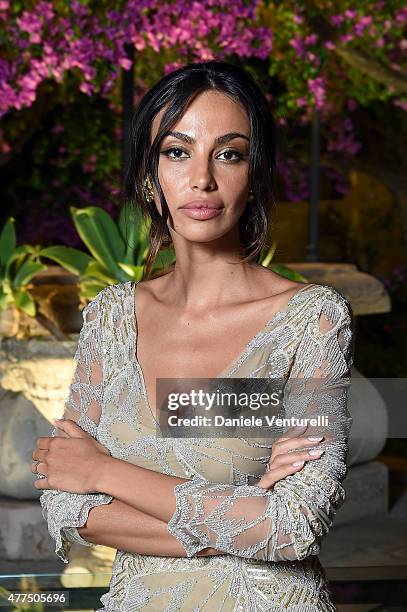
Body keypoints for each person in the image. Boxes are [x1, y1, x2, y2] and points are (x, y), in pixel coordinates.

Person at [32, 61, 354, 611]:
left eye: (228, 153)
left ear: (256, 173)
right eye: (177, 152)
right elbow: (65, 504)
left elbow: (294, 528)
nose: (202, 178)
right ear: (148, 175)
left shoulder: (311, 321)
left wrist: (103, 471)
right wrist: (246, 510)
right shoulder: (111, 320)